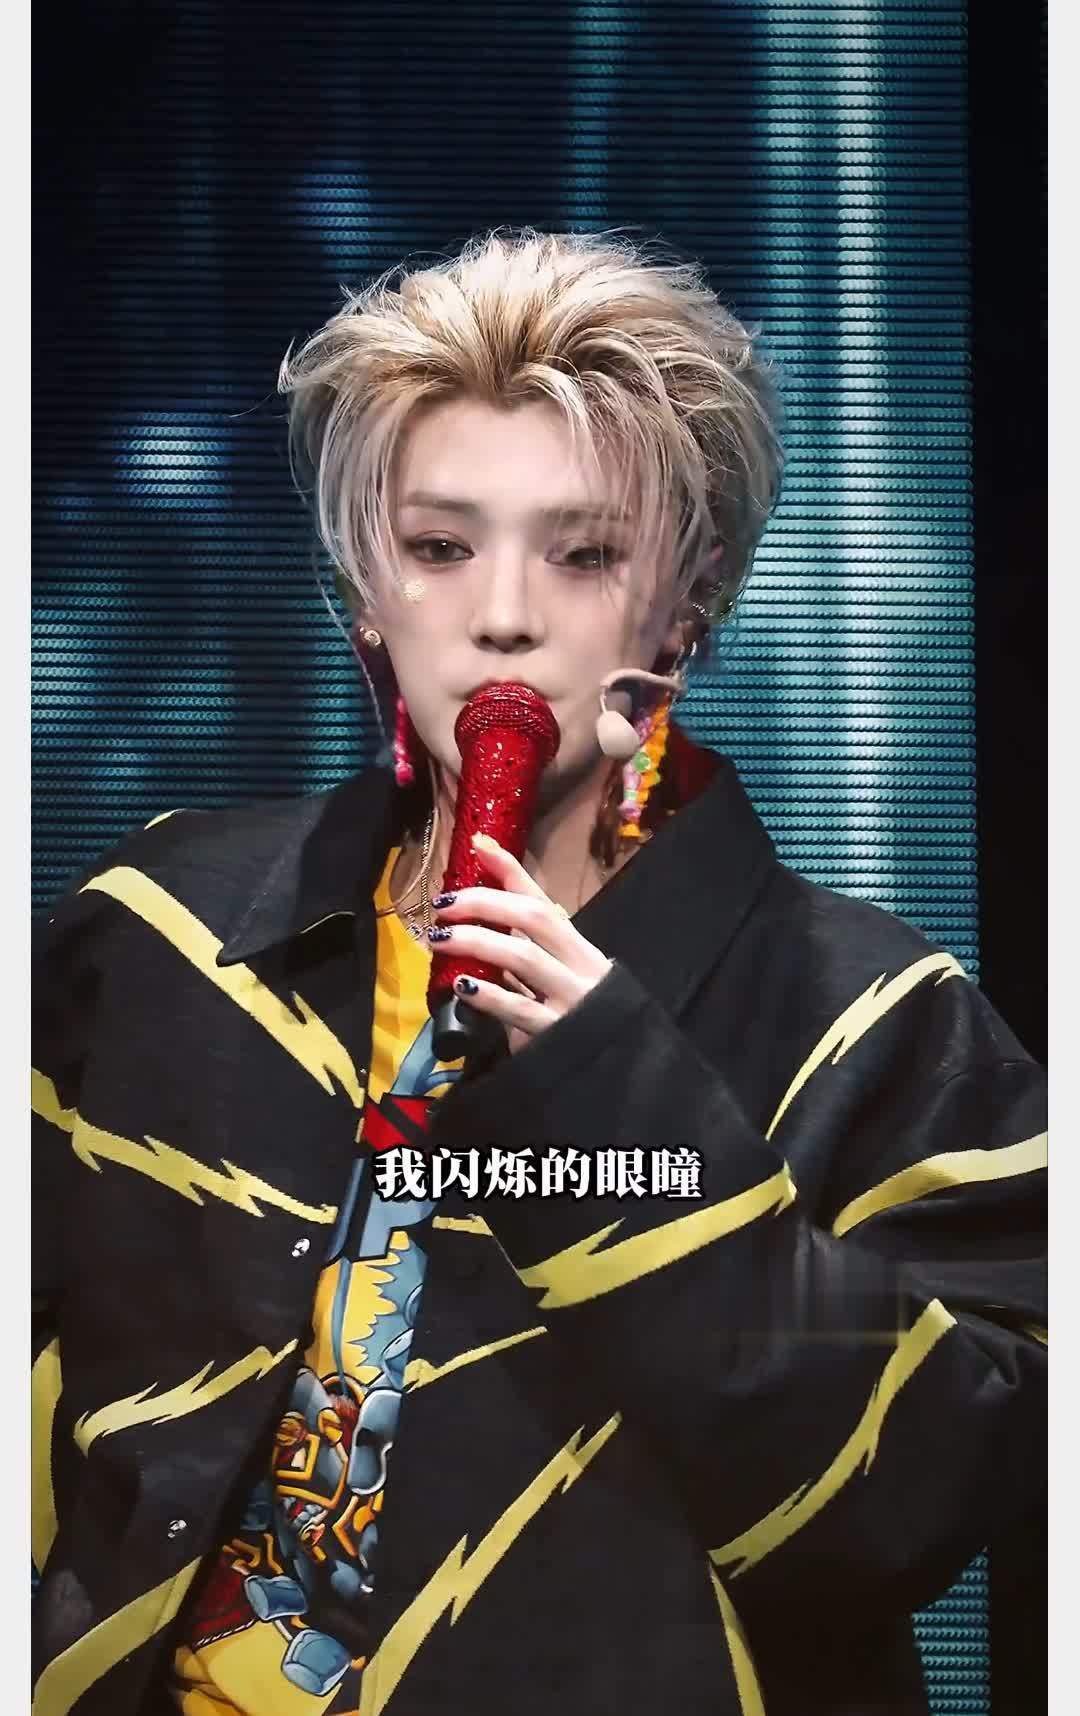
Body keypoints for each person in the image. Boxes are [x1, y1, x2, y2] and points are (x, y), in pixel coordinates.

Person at [32, 228, 1046, 1716]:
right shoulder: (159, 934)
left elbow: (919, 1513)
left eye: (584, 555)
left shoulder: (872, 1023)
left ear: (686, 604)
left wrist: (614, 1092)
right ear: (366, 587)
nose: (502, 614)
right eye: (441, 547)